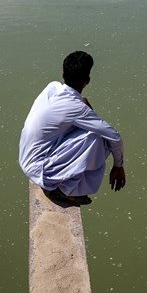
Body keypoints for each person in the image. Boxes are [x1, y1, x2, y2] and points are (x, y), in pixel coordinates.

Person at [19, 51, 126, 206]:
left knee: (90, 126)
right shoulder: (76, 108)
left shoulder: (52, 87)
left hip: (27, 158)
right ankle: (62, 191)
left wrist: (85, 108)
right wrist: (118, 165)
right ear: (87, 81)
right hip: (40, 169)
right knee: (98, 138)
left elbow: (71, 109)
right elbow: (114, 136)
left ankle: (61, 183)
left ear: (63, 74)